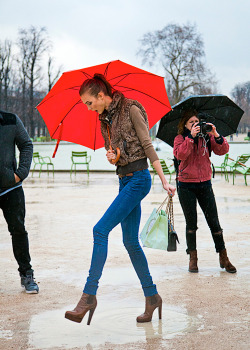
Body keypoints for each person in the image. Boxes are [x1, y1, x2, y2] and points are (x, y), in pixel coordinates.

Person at [65, 74, 176, 325]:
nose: (88, 107)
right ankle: (152, 297)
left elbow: (147, 145)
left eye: (89, 103)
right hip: (124, 179)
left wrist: (164, 180)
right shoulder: (104, 119)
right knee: (130, 242)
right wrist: (113, 156)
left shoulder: (131, 108)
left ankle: (89, 296)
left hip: (139, 179)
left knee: (100, 230)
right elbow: (117, 154)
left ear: (101, 96)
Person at [173, 110, 236, 274]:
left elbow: (223, 150)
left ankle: (224, 257)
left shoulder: (206, 137)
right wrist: (191, 138)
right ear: (185, 125)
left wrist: (215, 134)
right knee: (191, 224)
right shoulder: (180, 139)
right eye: (191, 122)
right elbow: (181, 154)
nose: (195, 124)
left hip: (205, 184)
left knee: (214, 222)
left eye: (197, 121)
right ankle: (192, 258)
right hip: (186, 185)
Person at [0, 110, 39, 293]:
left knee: (18, 230)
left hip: (11, 188)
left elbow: (26, 145)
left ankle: (26, 274)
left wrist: (20, 174)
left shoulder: (10, 120)